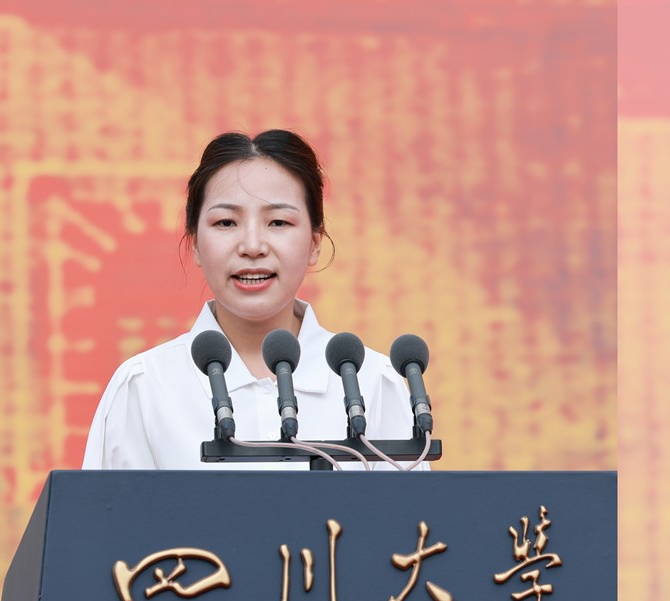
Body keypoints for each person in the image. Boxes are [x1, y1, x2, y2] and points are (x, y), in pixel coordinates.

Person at [82, 130, 420, 469]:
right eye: (226, 222)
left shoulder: (373, 382)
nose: (253, 246)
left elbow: (411, 505)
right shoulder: (145, 387)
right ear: (195, 242)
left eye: (278, 222)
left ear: (315, 243)